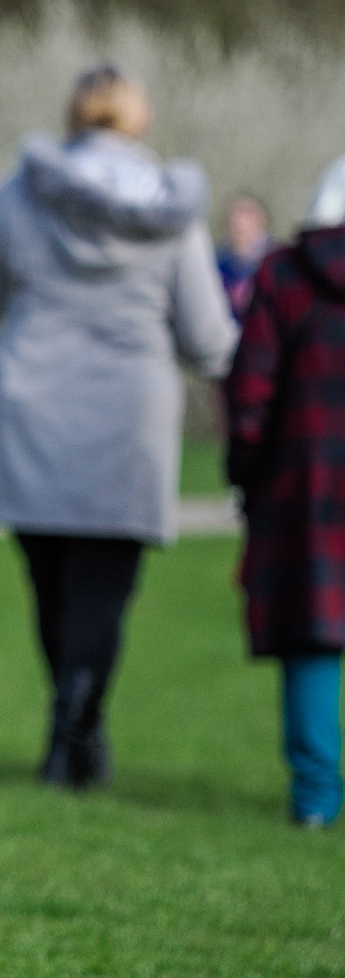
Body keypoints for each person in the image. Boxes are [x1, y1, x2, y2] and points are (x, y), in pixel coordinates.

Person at [0, 63, 237, 788]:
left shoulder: (22, 193)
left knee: (51, 582)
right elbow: (208, 337)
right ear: (139, 118)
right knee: (105, 588)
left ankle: (69, 725)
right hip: (128, 413)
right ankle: (77, 723)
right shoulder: (174, 212)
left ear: (75, 114)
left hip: (33, 404)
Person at [226, 154, 345, 826]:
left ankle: (317, 799)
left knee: (314, 640)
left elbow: (251, 393)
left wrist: (247, 473)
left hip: (308, 485)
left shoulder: (284, 275)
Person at [216, 193, 274, 320]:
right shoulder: (214, 261)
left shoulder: (277, 261)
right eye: (235, 213)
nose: (239, 220)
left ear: (263, 220)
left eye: (247, 213)